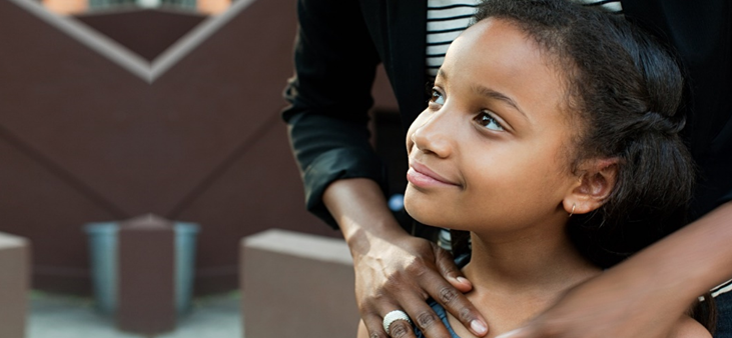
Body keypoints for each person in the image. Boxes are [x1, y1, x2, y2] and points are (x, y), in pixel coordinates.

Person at [282, 0, 732, 337]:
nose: (424, 135)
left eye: (488, 120)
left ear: (592, 181)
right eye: (435, 95)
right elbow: (322, 104)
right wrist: (370, 241)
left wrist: (660, 283)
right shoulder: (403, 318)